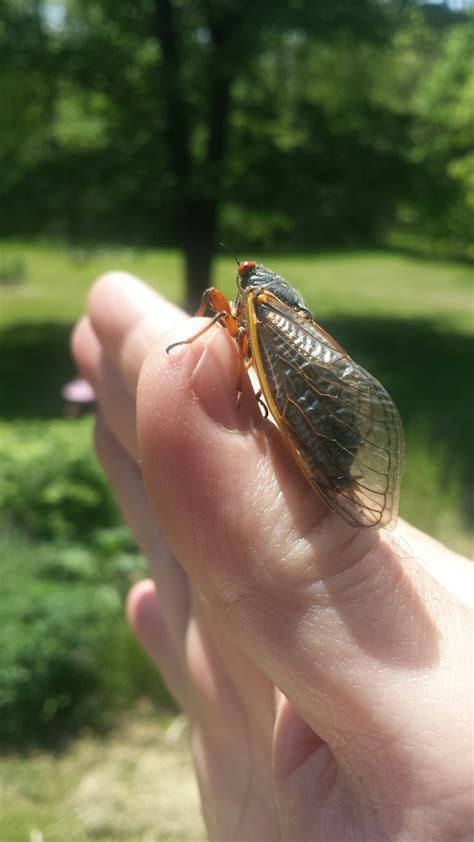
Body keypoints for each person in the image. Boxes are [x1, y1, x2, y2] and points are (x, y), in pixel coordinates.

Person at [72, 270, 473, 841]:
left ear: (251, 287)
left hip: (302, 393)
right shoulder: (258, 305)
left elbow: (248, 348)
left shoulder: (257, 305)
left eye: (242, 280)